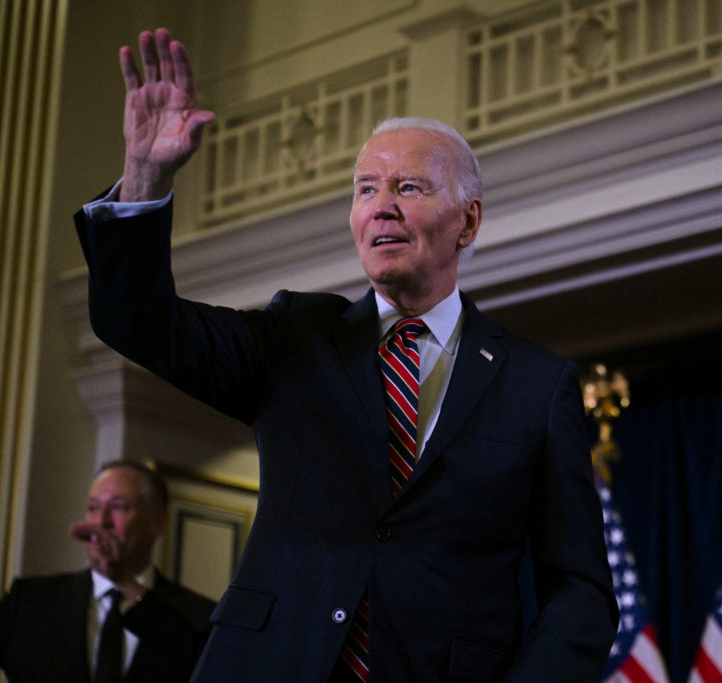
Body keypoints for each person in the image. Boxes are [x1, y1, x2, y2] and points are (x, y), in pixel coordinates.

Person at [73, 27, 618, 682]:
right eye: (365, 189)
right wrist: (146, 176)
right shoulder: (296, 336)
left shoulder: (537, 384)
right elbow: (139, 321)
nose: (381, 206)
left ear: (468, 221)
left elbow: (579, 590)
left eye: (409, 187)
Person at [0, 460, 216, 682]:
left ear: (159, 522)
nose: (101, 521)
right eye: (93, 508)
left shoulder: (199, 618)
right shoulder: (29, 602)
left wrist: (125, 581)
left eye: (118, 507)